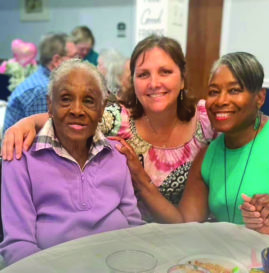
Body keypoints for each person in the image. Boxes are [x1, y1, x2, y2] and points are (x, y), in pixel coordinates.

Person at [1, 35, 215, 222]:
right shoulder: (117, 120)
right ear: (132, 81)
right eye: (143, 75)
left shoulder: (206, 120)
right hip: (130, 235)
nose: (154, 83)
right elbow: (72, 115)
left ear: (183, 79)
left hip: (187, 232)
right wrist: (25, 123)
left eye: (165, 72)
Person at [107, 51, 269, 231]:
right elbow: (184, 224)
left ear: (259, 98)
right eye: (214, 91)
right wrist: (141, 179)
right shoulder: (208, 155)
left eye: (234, 90)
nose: (221, 101)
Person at [0, 59, 143, 266]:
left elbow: (134, 226)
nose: (77, 110)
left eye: (89, 100)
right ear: (50, 105)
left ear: (102, 108)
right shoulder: (20, 159)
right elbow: (18, 244)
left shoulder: (116, 156)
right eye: (66, 99)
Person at [3, 33, 78, 133]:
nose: (79, 62)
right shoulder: (42, 90)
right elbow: (46, 138)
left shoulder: (42, 79)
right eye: (74, 57)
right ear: (57, 60)